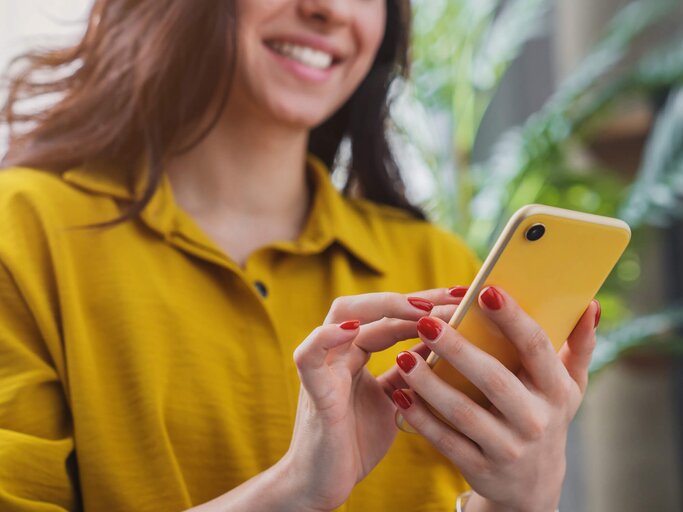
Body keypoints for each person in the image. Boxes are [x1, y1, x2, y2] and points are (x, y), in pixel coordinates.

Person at [0, 1, 600, 511]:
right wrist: (292, 490)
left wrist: (517, 500)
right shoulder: (23, 231)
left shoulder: (434, 262)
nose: (332, 9)